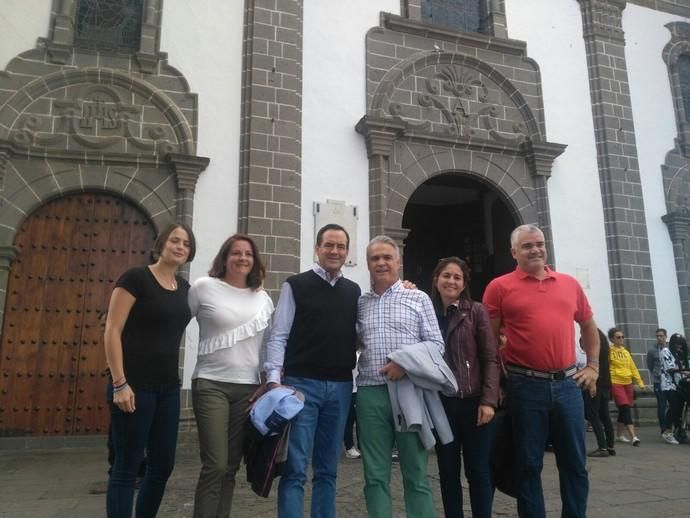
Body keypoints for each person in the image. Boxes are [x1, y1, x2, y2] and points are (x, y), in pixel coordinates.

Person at [482, 224, 599, 518]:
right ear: (514, 252)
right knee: (528, 464)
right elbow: (489, 341)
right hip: (525, 386)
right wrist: (496, 384)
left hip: (568, 384)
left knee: (575, 463)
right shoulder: (499, 287)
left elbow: (588, 325)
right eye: (527, 246)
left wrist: (594, 366)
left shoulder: (569, 284)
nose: (535, 249)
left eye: (539, 243)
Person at [264, 223, 361, 518]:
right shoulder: (296, 285)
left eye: (340, 246)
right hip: (301, 386)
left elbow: (359, 335)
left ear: (346, 252)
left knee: (328, 470)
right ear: (317, 249)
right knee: (295, 467)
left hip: (341, 387)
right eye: (328, 245)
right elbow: (279, 335)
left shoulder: (354, 291)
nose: (334, 251)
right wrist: (272, 380)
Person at [104, 222, 196, 518]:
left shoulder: (185, 288)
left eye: (186, 244)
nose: (180, 247)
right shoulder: (136, 279)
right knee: (127, 466)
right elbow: (112, 331)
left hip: (167, 388)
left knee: (163, 466)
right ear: (161, 244)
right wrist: (120, 383)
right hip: (133, 386)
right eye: (175, 241)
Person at [356, 235, 445, 518]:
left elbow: (436, 344)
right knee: (374, 474)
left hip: (409, 392)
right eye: (375, 258)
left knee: (415, 472)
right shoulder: (359, 303)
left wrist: (404, 363)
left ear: (398, 261)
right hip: (370, 393)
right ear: (368, 264)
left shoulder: (418, 298)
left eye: (387, 257)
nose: (381, 263)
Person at [189, 234, 274, 517]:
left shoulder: (262, 298)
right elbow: (173, 322)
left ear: (255, 260)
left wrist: (267, 382)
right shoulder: (204, 288)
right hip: (211, 384)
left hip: (248, 389)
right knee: (215, 464)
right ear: (225, 258)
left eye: (248, 254)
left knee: (231, 467)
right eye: (236, 253)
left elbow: (268, 345)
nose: (242, 258)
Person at [430, 257, 499, 518]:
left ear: (464, 283)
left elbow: (490, 357)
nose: (451, 281)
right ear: (436, 279)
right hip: (441, 404)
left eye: (457, 277)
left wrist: (488, 401)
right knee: (447, 471)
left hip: (473, 403)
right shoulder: (426, 311)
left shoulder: (476, 311)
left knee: (478, 470)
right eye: (446, 275)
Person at [608, 327, 645, 446]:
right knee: (624, 408)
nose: (621, 339)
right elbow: (605, 367)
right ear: (612, 339)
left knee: (624, 410)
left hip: (628, 383)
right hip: (616, 382)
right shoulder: (609, 351)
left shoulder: (626, 352)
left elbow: (632, 367)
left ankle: (619, 435)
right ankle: (634, 436)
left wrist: (640, 382)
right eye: (618, 337)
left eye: (622, 337)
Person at [583, 329, 616, 457]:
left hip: (596, 383)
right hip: (606, 383)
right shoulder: (605, 347)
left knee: (593, 415)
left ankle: (602, 447)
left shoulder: (593, 348)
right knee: (605, 415)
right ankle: (610, 446)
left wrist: (591, 384)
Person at [647, 328, 669, 433]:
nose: (659, 338)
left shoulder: (670, 348)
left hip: (670, 381)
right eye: (657, 336)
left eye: (661, 336)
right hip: (658, 381)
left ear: (666, 336)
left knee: (673, 404)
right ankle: (663, 428)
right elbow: (650, 365)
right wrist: (656, 375)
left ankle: (672, 425)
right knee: (662, 404)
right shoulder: (652, 350)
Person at [343, 352, 361, 459]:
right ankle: (349, 446)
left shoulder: (361, 354)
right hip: (349, 389)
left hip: (360, 388)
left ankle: (362, 445)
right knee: (349, 419)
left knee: (361, 420)